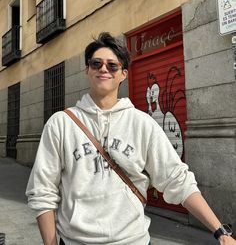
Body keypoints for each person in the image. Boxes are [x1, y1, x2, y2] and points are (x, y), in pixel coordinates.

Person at [26, 32, 235, 245]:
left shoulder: (142, 123)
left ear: (123, 74)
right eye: (96, 63)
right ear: (87, 70)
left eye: (112, 65)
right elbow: (43, 191)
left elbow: (177, 179)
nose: (104, 69)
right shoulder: (61, 123)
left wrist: (220, 232)